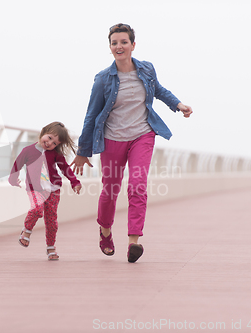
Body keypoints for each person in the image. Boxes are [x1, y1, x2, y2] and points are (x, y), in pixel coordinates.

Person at [70, 23, 193, 263]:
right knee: (110, 190)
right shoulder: (103, 79)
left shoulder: (146, 69)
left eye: (124, 42)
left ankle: (133, 242)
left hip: (142, 135)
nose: (119, 46)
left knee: (137, 185)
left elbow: (158, 89)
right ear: (110, 47)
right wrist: (83, 151)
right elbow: (91, 115)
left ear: (133, 45)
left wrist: (177, 105)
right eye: (114, 43)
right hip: (112, 139)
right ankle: (105, 231)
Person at [9, 121, 82, 261]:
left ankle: (51, 246)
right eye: (49, 138)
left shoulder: (55, 154)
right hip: (35, 188)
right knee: (37, 210)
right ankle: (27, 231)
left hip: (53, 190)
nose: (49, 143)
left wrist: (75, 182)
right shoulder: (27, 151)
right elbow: (17, 165)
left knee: (52, 220)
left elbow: (65, 168)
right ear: (43, 132)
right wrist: (13, 179)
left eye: (54, 143)